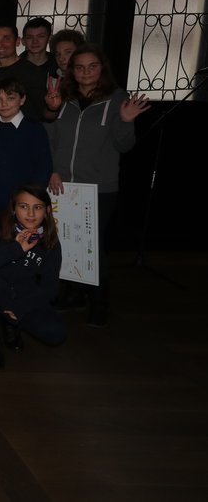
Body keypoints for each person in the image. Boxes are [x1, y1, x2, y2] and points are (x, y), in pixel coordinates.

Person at [47, 44, 150, 327]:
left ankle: (100, 302)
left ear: (102, 68)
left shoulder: (117, 99)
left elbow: (124, 145)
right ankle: (72, 294)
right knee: (66, 242)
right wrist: (53, 170)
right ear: (72, 70)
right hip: (63, 186)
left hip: (99, 187)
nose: (85, 72)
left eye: (92, 66)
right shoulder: (62, 98)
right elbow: (52, 140)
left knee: (93, 246)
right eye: (79, 67)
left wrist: (127, 121)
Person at [0, 184, 67, 370]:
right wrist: (16, 249)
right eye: (23, 206)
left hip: (23, 296)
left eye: (37, 207)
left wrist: (20, 308)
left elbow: (51, 287)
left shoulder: (50, 241)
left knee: (56, 333)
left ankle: (10, 322)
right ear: (14, 209)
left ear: (47, 211)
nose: (30, 213)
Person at [0, 77, 52, 220]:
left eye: (10, 98)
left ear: (22, 99)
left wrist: (31, 200)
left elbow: (44, 167)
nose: (4, 104)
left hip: (23, 203)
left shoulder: (34, 129)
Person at [0, 22, 49, 123]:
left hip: (25, 135)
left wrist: (53, 107)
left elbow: (44, 114)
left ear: (17, 41)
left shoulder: (32, 72)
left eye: (6, 39)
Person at [43, 28, 86, 120]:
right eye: (58, 54)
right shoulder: (52, 80)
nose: (62, 58)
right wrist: (52, 108)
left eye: (68, 52)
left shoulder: (90, 78)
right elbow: (48, 118)